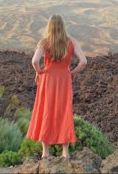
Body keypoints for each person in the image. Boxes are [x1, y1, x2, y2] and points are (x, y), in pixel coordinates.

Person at [26, 14, 87, 159]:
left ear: (49, 26)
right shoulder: (72, 42)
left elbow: (35, 61)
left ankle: (45, 152)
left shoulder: (44, 42)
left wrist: (39, 72)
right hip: (64, 80)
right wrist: (72, 73)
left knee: (46, 111)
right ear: (63, 26)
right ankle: (65, 152)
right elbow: (83, 61)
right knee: (64, 112)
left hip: (47, 80)